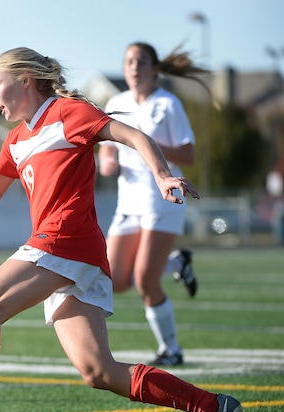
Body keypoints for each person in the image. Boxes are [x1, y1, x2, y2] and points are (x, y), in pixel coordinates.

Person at [0, 47, 242, 412]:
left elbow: (132, 135)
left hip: (64, 240)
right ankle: (213, 407)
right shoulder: (16, 139)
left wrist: (163, 176)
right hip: (79, 255)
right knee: (99, 371)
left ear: (24, 81)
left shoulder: (67, 112)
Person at [98, 43, 205, 367]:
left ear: (155, 68)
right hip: (128, 203)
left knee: (145, 281)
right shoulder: (115, 103)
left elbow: (188, 154)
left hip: (164, 201)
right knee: (114, 280)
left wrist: (148, 145)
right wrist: (106, 161)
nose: (134, 67)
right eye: (129, 61)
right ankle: (176, 264)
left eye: (141, 61)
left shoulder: (168, 104)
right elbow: (105, 146)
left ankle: (171, 350)